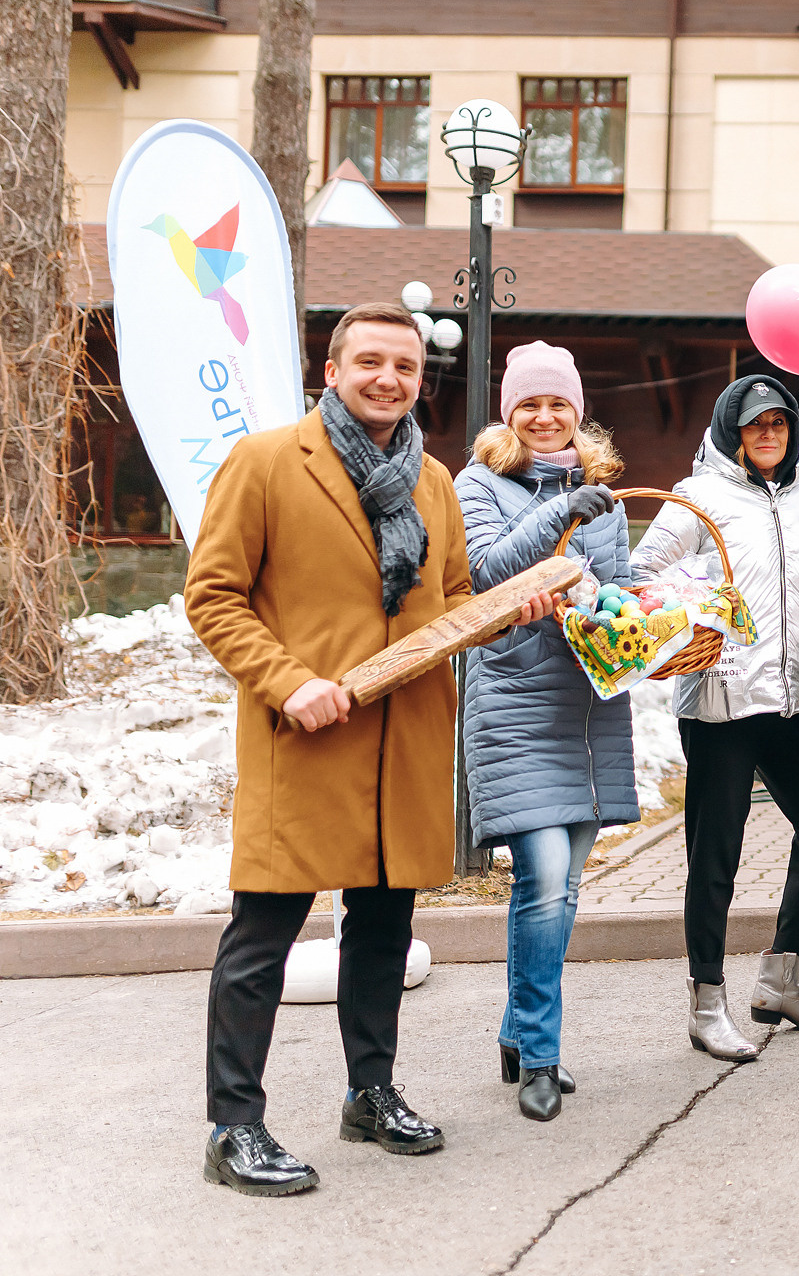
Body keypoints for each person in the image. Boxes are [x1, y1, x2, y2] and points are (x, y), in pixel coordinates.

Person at [184, 302, 557, 1195]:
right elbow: (213, 597)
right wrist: (288, 681)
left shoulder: (431, 480)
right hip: (305, 738)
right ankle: (233, 1126)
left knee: (383, 930)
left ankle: (369, 1092)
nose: (389, 378)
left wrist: (508, 613)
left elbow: (454, 601)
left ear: (419, 379)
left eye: (405, 365)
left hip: (405, 744)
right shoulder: (268, 461)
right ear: (333, 371)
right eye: (371, 362)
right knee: (261, 938)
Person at [631, 375, 799, 1060]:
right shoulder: (696, 496)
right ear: (732, 430)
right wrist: (696, 602)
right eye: (754, 424)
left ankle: (781, 978)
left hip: (788, 701)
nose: (767, 434)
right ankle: (706, 1003)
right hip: (720, 700)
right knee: (716, 858)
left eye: (778, 424)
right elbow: (643, 573)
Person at [455, 342, 637, 1121]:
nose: (544, 416)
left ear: (577, 411)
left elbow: (621, 591)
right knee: (540, 882)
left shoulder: (608, 497)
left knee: (562, 889)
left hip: (588, 710)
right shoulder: (479, 483)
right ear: (509, 411)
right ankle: (540, 1054)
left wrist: (639, 616)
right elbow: (486, 570)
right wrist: (561, 511)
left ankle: (513, 1029)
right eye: (529, 403)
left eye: (557, 403)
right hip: (514, 705)